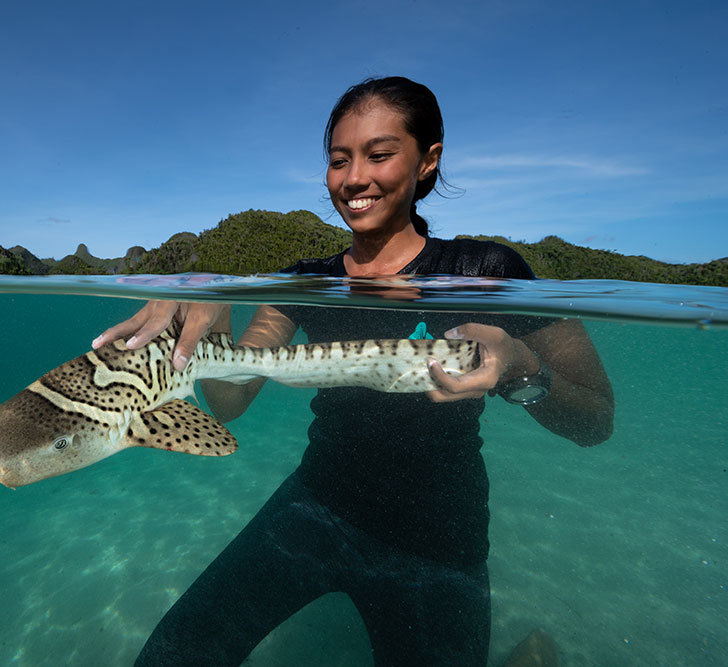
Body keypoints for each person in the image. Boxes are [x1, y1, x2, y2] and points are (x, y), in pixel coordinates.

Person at [92, 76, 614, 666]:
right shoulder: (306, 281)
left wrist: (522, 367)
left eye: (380, 154)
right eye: (339, 160)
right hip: (316, 504)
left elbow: (596, 419)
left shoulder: (488, 270)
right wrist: (213, 315)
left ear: (427, 161)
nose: (354, 177)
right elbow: (231, 403)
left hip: (440, 537)